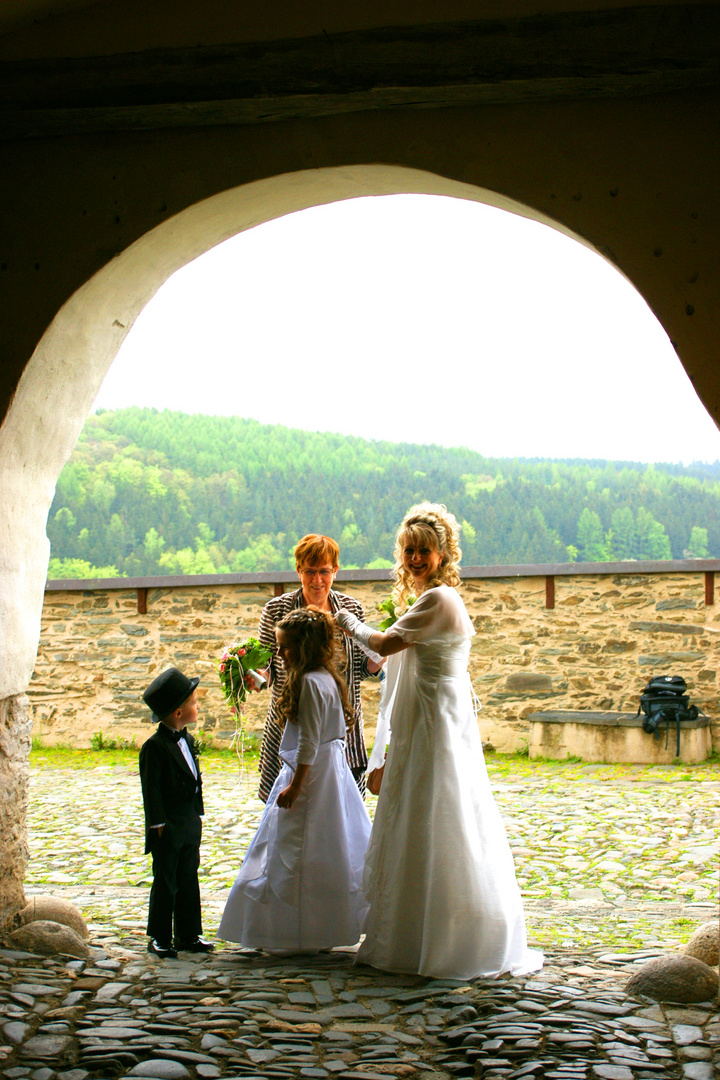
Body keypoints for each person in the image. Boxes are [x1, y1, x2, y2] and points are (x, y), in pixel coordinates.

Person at [337, 502, 543, 981]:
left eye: (424, 551)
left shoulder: (439, 600)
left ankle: (447, 939)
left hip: (434, 722)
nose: (414, 558)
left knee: (438, 814)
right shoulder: (432, 599)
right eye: (408, 550)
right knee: (421, 814)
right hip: (429, 717)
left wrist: (345, 620)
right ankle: (416, 934)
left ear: (443, 552)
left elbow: (386, 646)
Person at [218, 607, 372, 952]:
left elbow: (309, 741)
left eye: (286, 647)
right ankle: (321, 929)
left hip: (312, 775)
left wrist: (296, 785)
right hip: (332, 774)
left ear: (304, 648)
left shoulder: (308, 682)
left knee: (297, 846)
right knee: (329, 845)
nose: (280, 655)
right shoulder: (328, 678)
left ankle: (293, 931)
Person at [254, 533, 381, 803]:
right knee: (286, 808)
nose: (317, 579)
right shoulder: (277, 610)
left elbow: (361, 668)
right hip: (291, 719)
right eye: (309, 571)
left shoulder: (350, 608)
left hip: (341, 722)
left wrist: (382, 656)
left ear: (335, 570)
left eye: (324, 571)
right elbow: (267, 667)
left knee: (339, 806)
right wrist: (253, 677)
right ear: (298, 570)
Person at [139, 667, 214, 958]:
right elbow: (152, 790)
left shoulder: (188, 740)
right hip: (167, 824)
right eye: (194, 703)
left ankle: (188, 933)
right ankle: (160, 936)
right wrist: (157, 823)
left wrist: (197, 812)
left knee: (188, 877)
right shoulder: (154, 747)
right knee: (166, 880)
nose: (199, 707)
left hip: (188, 821)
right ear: (179, 712)